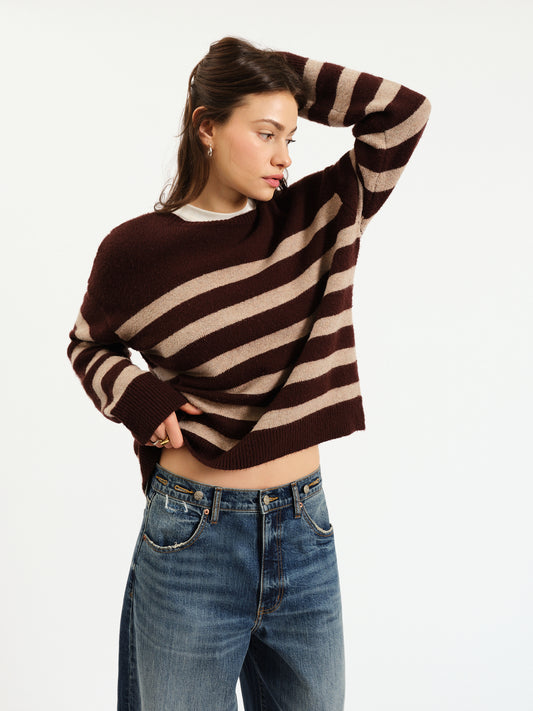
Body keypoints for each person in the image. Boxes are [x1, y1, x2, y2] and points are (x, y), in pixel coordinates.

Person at [68, 35, 430, 711]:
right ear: (206, 126)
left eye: (290, 136)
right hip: (192, 535)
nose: (284, 156)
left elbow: (402, 112)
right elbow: (88, 346)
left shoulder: (315, 217)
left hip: (305, 528)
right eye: (265, 133)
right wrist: (138, 394)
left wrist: (267, 72)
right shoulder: (137, 251)